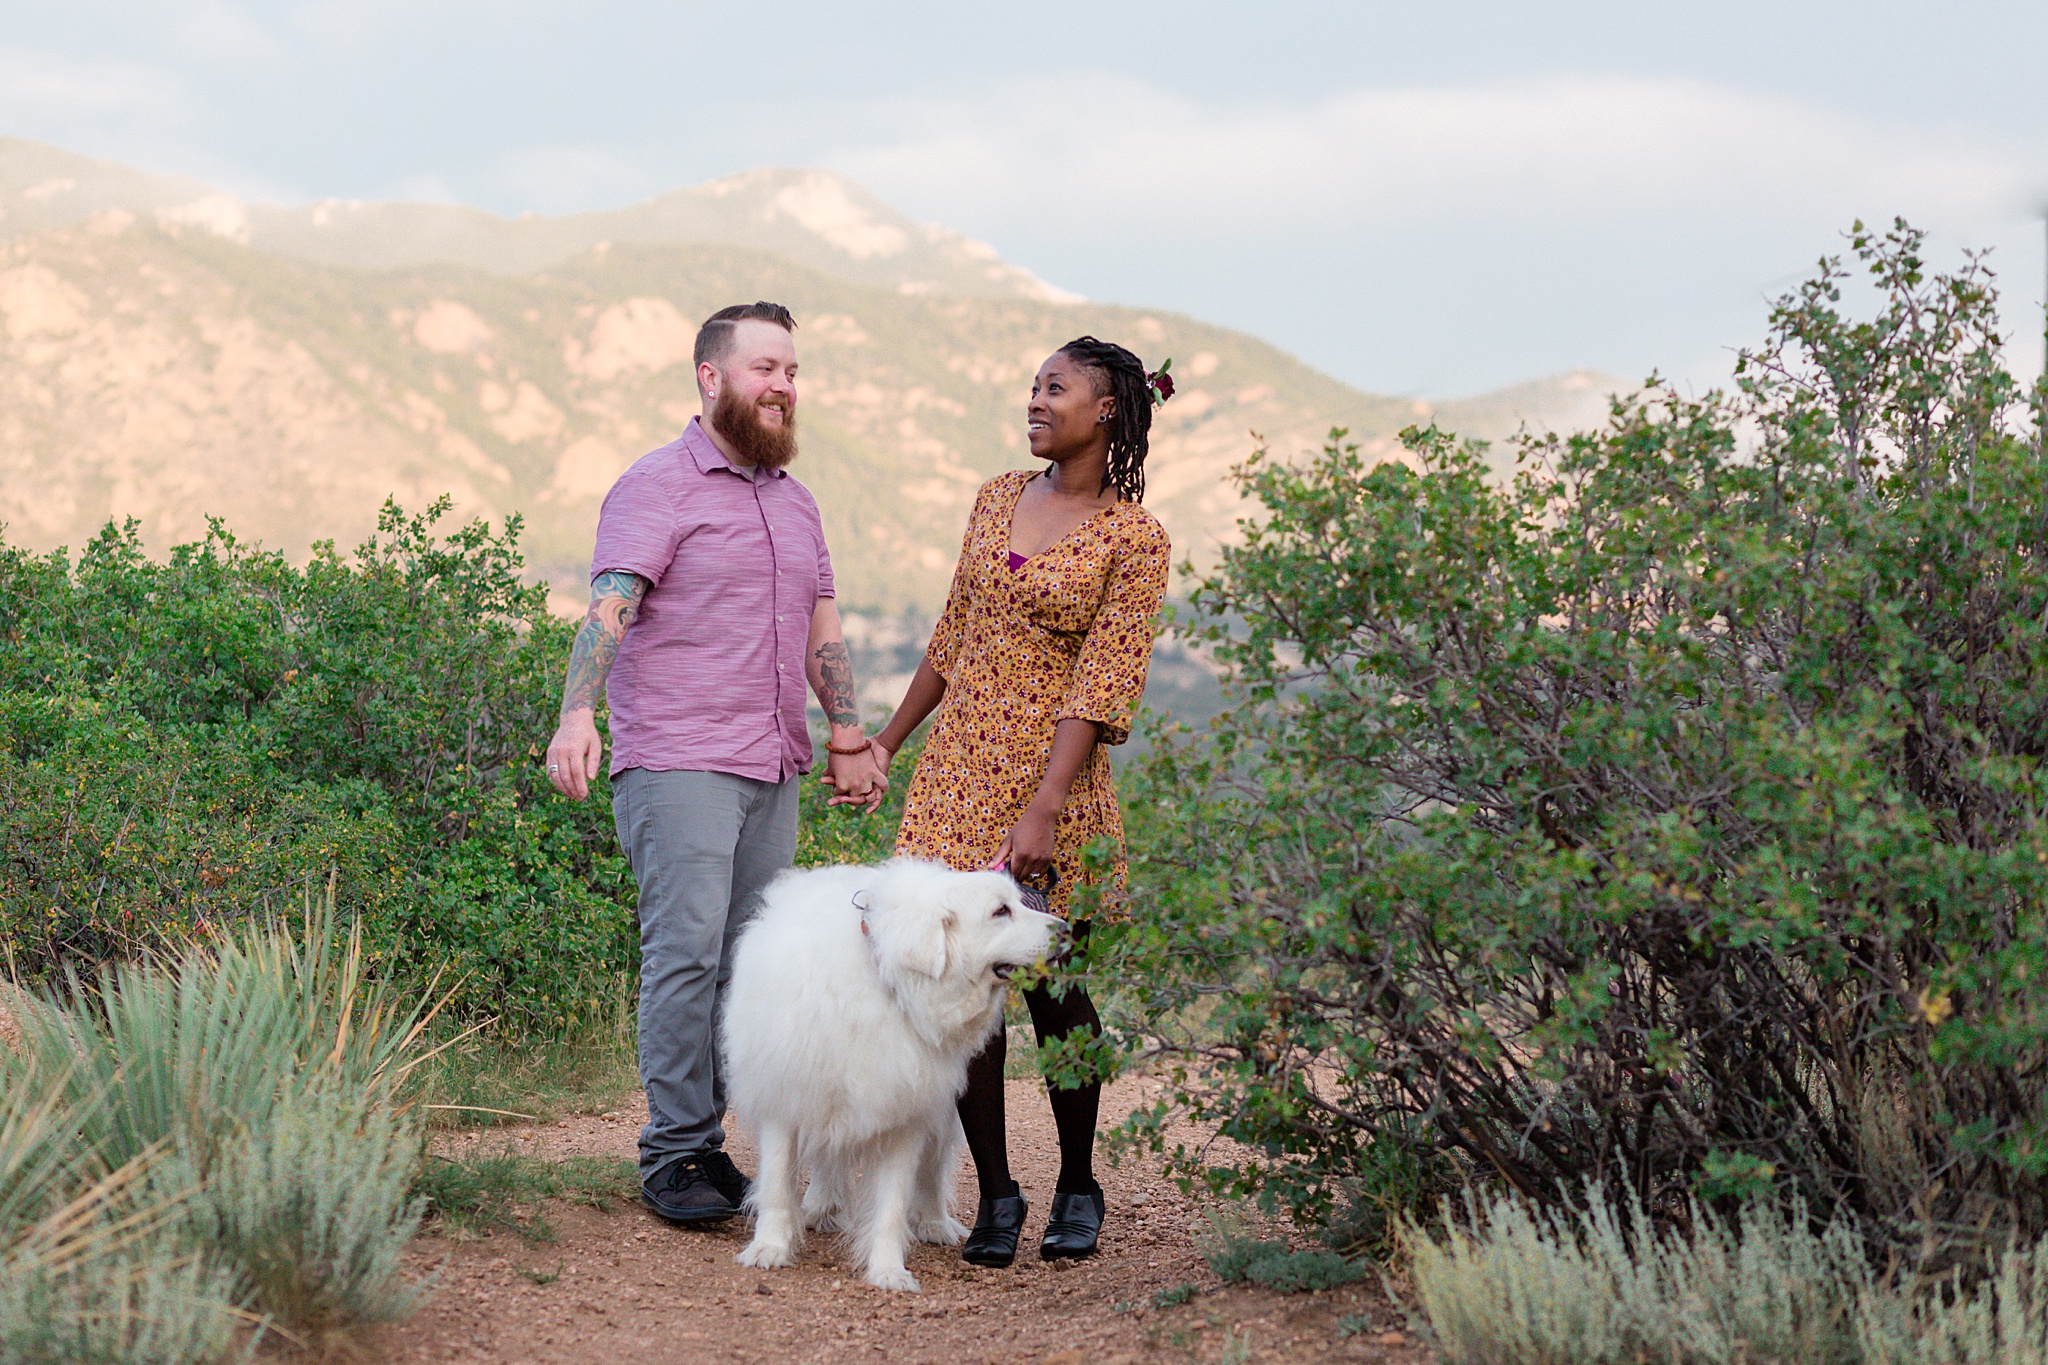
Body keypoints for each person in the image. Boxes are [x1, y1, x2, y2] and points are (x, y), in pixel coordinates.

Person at [544, 301, 888, 1226]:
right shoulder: (657, 485)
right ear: (710, 377)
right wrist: (578, 712)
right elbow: (610, 603)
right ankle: (675, 1152)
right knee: (686, 955)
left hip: (773, 761)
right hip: (679, 758)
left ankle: (727, 1144)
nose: (783, 386)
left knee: (753, 962)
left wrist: (847, 733)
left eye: (792, 371)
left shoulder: (796, 500)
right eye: (765, 368)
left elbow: (821, 625)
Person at [866, 335, 1171, 1266]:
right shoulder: (997, 497)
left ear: (1108, 406)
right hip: (955, 778)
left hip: (1055, 786)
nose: (1035, 399)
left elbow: (1104, 684)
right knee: (962, 989)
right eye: (1033, 385)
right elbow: (952, 637)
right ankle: (997, 1190)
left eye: (1056, 387)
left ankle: (1079, 1181)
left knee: (1055, 991)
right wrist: (886, 740)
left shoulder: (1135, 538)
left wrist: (1042, 807)